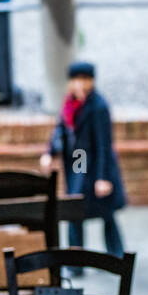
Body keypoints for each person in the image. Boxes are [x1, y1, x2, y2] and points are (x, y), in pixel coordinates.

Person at [40, 61, 127, 257]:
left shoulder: (98, 106)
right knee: (75, 208)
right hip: (79, 162)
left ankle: (117, 256)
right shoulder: (70, 104)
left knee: (106, 213)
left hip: (95, 164)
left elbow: (104, 144)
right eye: (77, 80)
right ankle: (75, 259)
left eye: (85, 80)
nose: (80, 85)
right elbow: (60, 129)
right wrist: (50, 152)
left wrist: (103, 177)